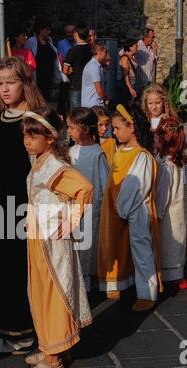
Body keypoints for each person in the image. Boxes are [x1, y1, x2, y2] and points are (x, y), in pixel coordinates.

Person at [0, 57, 46, 352]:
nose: (4, 89)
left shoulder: (33, 120)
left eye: (11, 82)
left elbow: (42, 167)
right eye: (0, 83)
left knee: (18, 269)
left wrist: (37, 209)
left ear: (24, 82)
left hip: (21, 207)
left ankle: (21, 331)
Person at [22, 107, 93, 368]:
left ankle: (54, 357)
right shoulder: (39, 161)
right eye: (25, 134)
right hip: (37, 237)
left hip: (52, 240)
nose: (27, 140)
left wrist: (72, 221)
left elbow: (85, 189)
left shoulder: (56, 167)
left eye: (33, 135)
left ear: (50, 138)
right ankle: (49, 344)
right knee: (38, 292)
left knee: (53, 292)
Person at [98, 103, 163, 312]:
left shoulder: (141, 155)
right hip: (119, 209)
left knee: (140, 248)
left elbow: (136, 186)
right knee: (120, 246)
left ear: (132, 128)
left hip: (136, 211)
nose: (113, 132)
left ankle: (147, 292)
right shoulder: (121, 151)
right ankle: (122, 282)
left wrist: (122, 208)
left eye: (117, 128)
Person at [67, 107, 109, 292]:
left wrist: (99, 206)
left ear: (83, 128)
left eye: (71, 127)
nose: (68, 131)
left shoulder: (96, 153)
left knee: (88, 246)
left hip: (92, 209)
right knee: (76, 245)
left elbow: (105, 183)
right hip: (73, 207)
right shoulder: (70, 151)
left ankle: (89, 283)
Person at [154, 117, 187, 284]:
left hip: (168, 217)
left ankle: (171, 278)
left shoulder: (167, 165)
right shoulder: (177, 161)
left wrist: (155, 216)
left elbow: (162, 194)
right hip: (177, 213)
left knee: (168, 246)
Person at [26, 19, 63, 102]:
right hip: (37, 78)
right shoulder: (31, 42)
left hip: (48, 79)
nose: (49, 32)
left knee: (46, 101)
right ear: (40, 30)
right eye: (47, 30)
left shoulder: (49, 42)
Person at [63, 25, 92, 109]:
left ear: (76, 34)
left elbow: (65, 70)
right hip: (89, 85)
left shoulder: (73, 51)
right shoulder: (91, 49)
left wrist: (70, 70)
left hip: (76, 85)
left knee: (76, 114)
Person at [81, 44, 109, 108]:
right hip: (93, 105)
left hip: (93, 103)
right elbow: (99, 90)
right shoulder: (94, 66)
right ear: (100, 52)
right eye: (105, 52)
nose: (106, 55)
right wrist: (106, 98)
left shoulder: (96, 65)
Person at [136, 28, 158, 94]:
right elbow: (123, 53)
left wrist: (155, 50)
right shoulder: (137, 45)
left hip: (150, 78)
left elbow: (154, 61)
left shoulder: (149, 47)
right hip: (141, 80)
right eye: (152, 37)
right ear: (145, 37)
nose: (153, 39)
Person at [117, 39, 138, 106]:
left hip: (132, 83)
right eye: (136, 46)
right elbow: (125, 75)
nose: (137, 47)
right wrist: (130, 88)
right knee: (128, 104)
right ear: (130, 47)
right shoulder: (125, 58)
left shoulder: (131, 56)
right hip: (127, 85)